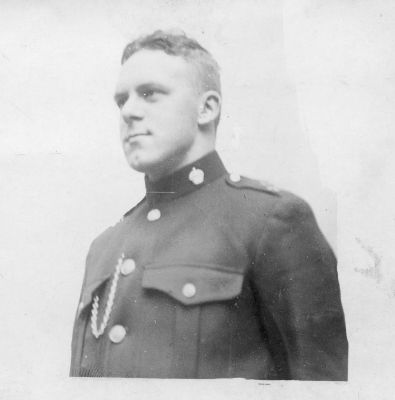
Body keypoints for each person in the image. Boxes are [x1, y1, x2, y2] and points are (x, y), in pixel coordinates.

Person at [70, 30, 348, 380]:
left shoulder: (272, 221)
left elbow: (321, 384)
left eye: (149, 94)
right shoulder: (105, 249)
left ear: (207, 108)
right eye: (121, 100)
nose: (129, 111)